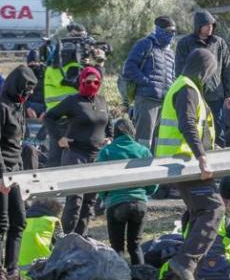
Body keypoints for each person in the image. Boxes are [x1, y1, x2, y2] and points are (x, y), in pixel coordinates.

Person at [157, 49, 224, 280]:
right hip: (184, 162)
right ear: (204, 69)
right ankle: (184, 263)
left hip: (185, 161)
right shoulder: (187, 88)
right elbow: (186, 124)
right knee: (214, 209)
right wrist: (202, 157)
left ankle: (178, 273)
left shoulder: (186, 85)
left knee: (198, 216)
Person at [43, 66, 112, 235]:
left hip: (96, 156)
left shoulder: (102, 101)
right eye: (88, 81)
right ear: (81, 81)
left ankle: (82, 236)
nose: (93, 84)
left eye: (96, 81)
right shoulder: (73, 101)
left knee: (90, 200)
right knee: (75, 199)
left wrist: (109, 137)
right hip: (76, 154)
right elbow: (49, 117)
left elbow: (108, 123)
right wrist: (59, 138)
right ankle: (68, 237)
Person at [96, 118, 158, 265]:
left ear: (115, 134)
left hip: (116, 203)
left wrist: (105, 197)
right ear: (132, 132)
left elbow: (98, 179)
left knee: (117, 248)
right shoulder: (143, 151)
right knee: (135, 246)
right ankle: (141, 275)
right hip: (139, 203)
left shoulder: (107, 151)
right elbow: (154, 180)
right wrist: (145, 193)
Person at [0, 66, 38, 279]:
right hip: (2, 171)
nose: (28, 94)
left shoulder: (18, 106)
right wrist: (2, 175)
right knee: (1, 223)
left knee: (19, 221)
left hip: (16, 171)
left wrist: (21, 174)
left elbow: (19, 143)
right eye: (26, 89)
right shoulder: (2, 106)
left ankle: (13, 270)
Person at [174, 10, 230, 143]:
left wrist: (229, 94)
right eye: (207, 25)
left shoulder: (219, 43)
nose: (210, 27)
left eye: (212, 25)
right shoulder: (185, 43)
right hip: (193, 95)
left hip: (215, 96)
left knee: (217, 132)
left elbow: (227, 69)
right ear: (198, 26)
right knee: (194, 130)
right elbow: (179, 70)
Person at [124, 16, 177, 149]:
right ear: (159, 30)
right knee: (143, 141)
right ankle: (138, 168)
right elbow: (129, 67)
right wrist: (146, 82)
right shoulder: (145, 44)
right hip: (147, 100)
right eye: (168, 31)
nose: (172, 34)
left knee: (159, 143)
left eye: (174, 31)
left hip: (165, 103)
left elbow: (174, 75)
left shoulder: (171, 53)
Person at [17, 198, 63, 275]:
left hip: (23, 273)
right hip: (45, 271)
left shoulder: (22, 221)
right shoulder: (53, 221)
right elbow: (63, 244)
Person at [24, 51, 45, 119]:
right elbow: (19, 96)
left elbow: (54, 94)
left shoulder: (47, 73)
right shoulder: (24, 75)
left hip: (45, 107)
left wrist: (48, 110)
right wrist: (27, 107)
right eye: (30, 63)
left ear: (39, 62)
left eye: (35, 62)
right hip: (29, 107)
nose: (32, 65)